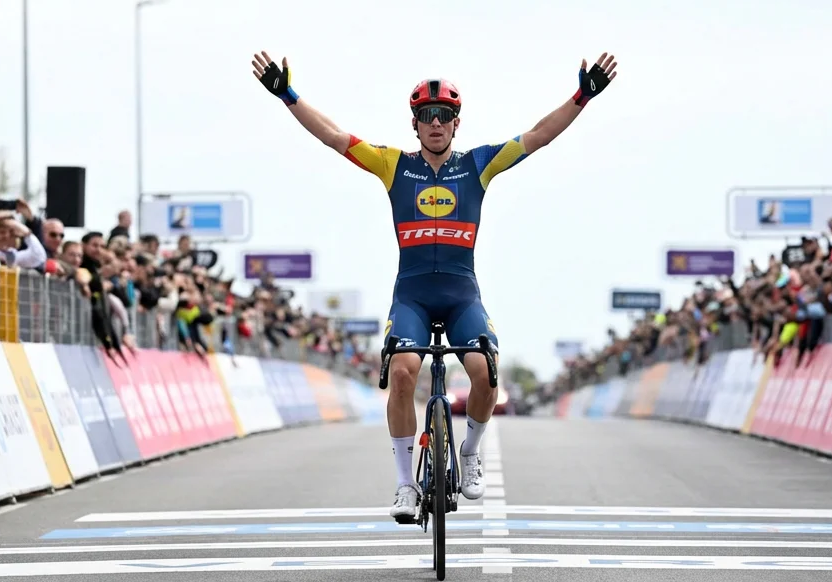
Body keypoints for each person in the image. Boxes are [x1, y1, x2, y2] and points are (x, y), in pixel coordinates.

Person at [250, 49, 618, 522]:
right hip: (413, 296)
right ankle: (405, 484)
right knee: (402, 372)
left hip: (462, 294)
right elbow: (335, 138)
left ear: (456, 124)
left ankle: (469, 452)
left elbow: (538, 137)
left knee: (485, 371)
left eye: (444, 116)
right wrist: (287, 95)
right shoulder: (393, 165)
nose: (436, 124)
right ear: (416, 124)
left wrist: (582, 97)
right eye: (427, 116)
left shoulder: (480, 165)